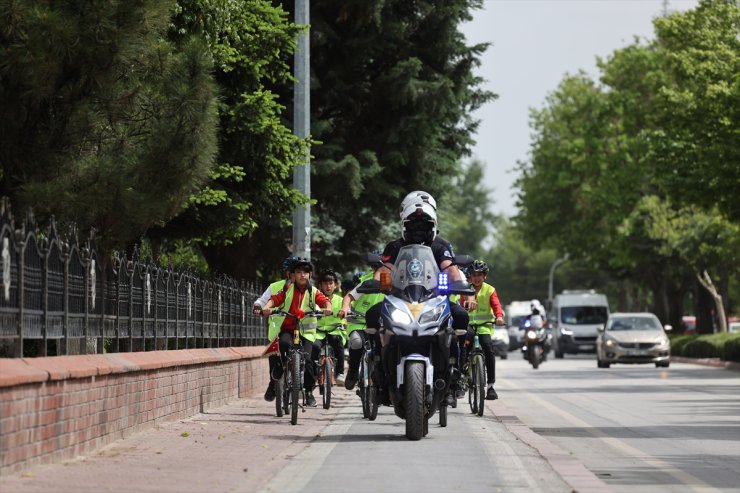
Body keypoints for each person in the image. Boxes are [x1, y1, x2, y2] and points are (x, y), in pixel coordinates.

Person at [345, 191, 476, 405]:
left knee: (461, 316)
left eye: (423, 225)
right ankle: (376, 370)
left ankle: (456, 372)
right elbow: (385, 268)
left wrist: (460, 284)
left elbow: (450, 268)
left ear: (433, 223)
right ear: (404, 224)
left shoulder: (441, 246)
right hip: (400, 301)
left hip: (435, 299)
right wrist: (375, 282)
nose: (418, 229)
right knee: (372, 314)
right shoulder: (395, 247)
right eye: (413, 225)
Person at [260, 258, 333, 408]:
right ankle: (280, 368)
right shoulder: (288, 288)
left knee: (307, 359)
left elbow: (325, 301)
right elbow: (275, 299)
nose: (301, 275)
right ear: (293, 274)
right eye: (298, 272)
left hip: (306, 332)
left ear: (310, 275)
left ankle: (308, 391)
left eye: (305, 272)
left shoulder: (313, 291)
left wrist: (328, 307)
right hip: (288, 328)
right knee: (284, 344)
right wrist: (267, 307)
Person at [338, 255, 385, 391]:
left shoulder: (391, 281)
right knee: (357, 342)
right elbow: (349, 297)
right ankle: (353, 371)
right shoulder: (365, 281)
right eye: (378, 268)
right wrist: (345, 307)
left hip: (378, 324)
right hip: (358, 322)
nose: (381, 272)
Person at [463, 260, 505, 400]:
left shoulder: (490, 290)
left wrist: (498, 317)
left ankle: (491, 386)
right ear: (470, 276)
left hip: (484, 326)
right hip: (468, 325)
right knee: (463, 346)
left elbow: (496, 306)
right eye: (474, 275)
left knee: (488, 348)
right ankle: (461, 376)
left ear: (484, 276)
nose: (476, 277)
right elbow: (455, 301)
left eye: (479, 274)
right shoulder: (464, 288)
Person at [312, 269, 347, 385]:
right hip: (318, 331)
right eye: (325, 283)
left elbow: (347, 312)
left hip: (335, 330)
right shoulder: (315, 300)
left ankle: (340, 373)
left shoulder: (341, 300)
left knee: (338, 344)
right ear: (320, 285)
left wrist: (345, 316)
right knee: (314, 347)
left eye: (331, 283)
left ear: (335, 285)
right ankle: (313, 374)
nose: (328, 286)